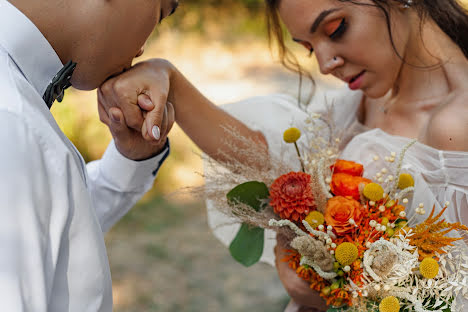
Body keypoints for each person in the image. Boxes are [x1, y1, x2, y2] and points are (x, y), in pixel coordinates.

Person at [98, 0, 468, 311]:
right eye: (309, 47)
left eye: (336, 28)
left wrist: (331, 295)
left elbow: (445, 296)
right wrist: (168, 78)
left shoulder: (456, 123)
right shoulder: (366, 99)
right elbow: (267, 165)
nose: (324, 64)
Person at [0, 0, 179, 310]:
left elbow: (54, 238)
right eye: (161, 12)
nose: (141, 50)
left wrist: (129, 159)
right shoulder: (13, 124)